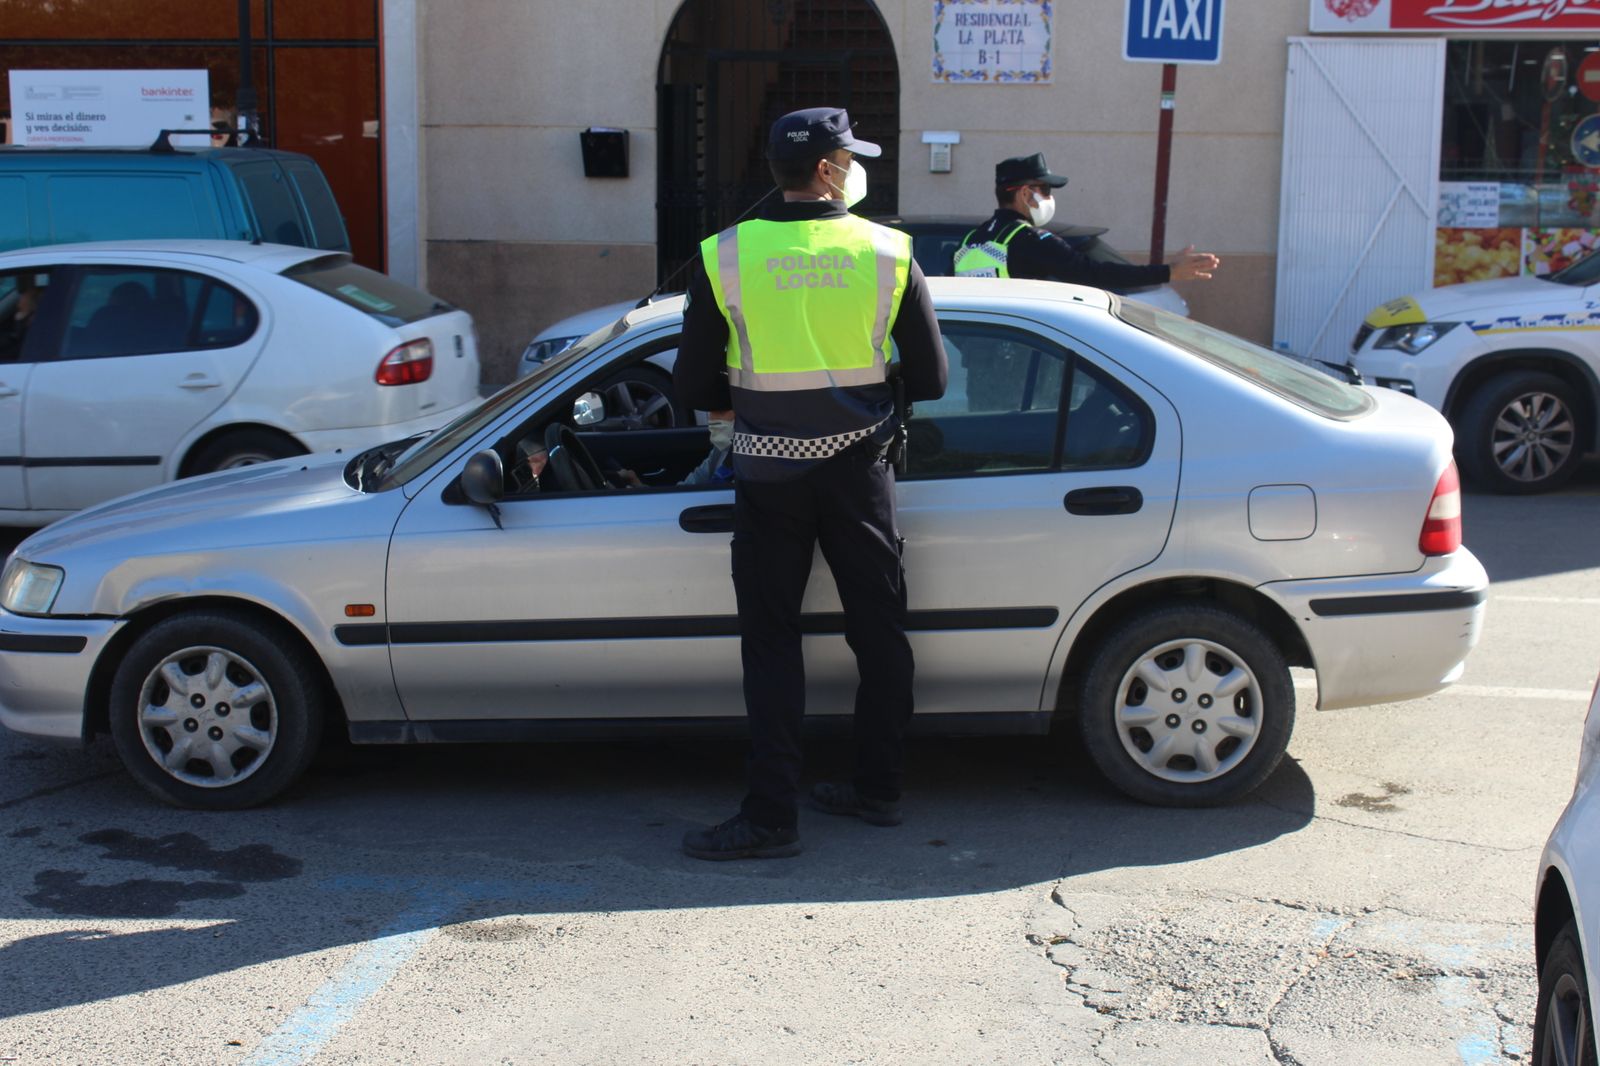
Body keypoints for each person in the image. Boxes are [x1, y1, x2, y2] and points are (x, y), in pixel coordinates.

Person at [674, 106, 948, 862]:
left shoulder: (725, 255)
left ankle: (770, 819)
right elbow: (931, 376)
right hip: (859, 473)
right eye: (850, 157)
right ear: (828, 170)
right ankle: (878, 789)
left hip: (767, 475)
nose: (857, 168)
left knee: (770, 645)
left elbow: (694, 381)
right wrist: (866, 390)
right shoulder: (889, 252)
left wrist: (753, 397)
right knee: (879, 632)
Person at [954, 152, 1219, 287]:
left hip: (981, 364)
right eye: (1045, 190)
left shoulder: (970, 241)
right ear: (1025, 193)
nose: (1049, 197)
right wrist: (1169, 271)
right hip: (1017, 363)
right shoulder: (1029, 240)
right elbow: (1094, 274)